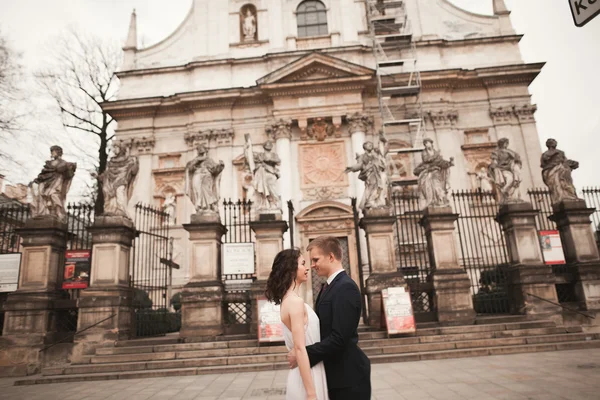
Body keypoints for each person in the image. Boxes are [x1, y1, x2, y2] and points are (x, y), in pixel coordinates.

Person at [287, 236, 371, 400]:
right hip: (334, 375)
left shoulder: (345, 287)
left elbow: (339, 338)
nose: (312, 265)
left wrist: (303, 354)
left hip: (348, 378)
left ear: (331, 257)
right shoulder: (329, 286)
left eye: (315, 259)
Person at [265, 249, 328, 400]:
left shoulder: (289, 300)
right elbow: (299, 349)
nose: (307, 268)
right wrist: (311, 393)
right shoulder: (295, 302)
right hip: (307, 375)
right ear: (291, 269)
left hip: (306, 371)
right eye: (302, 264)